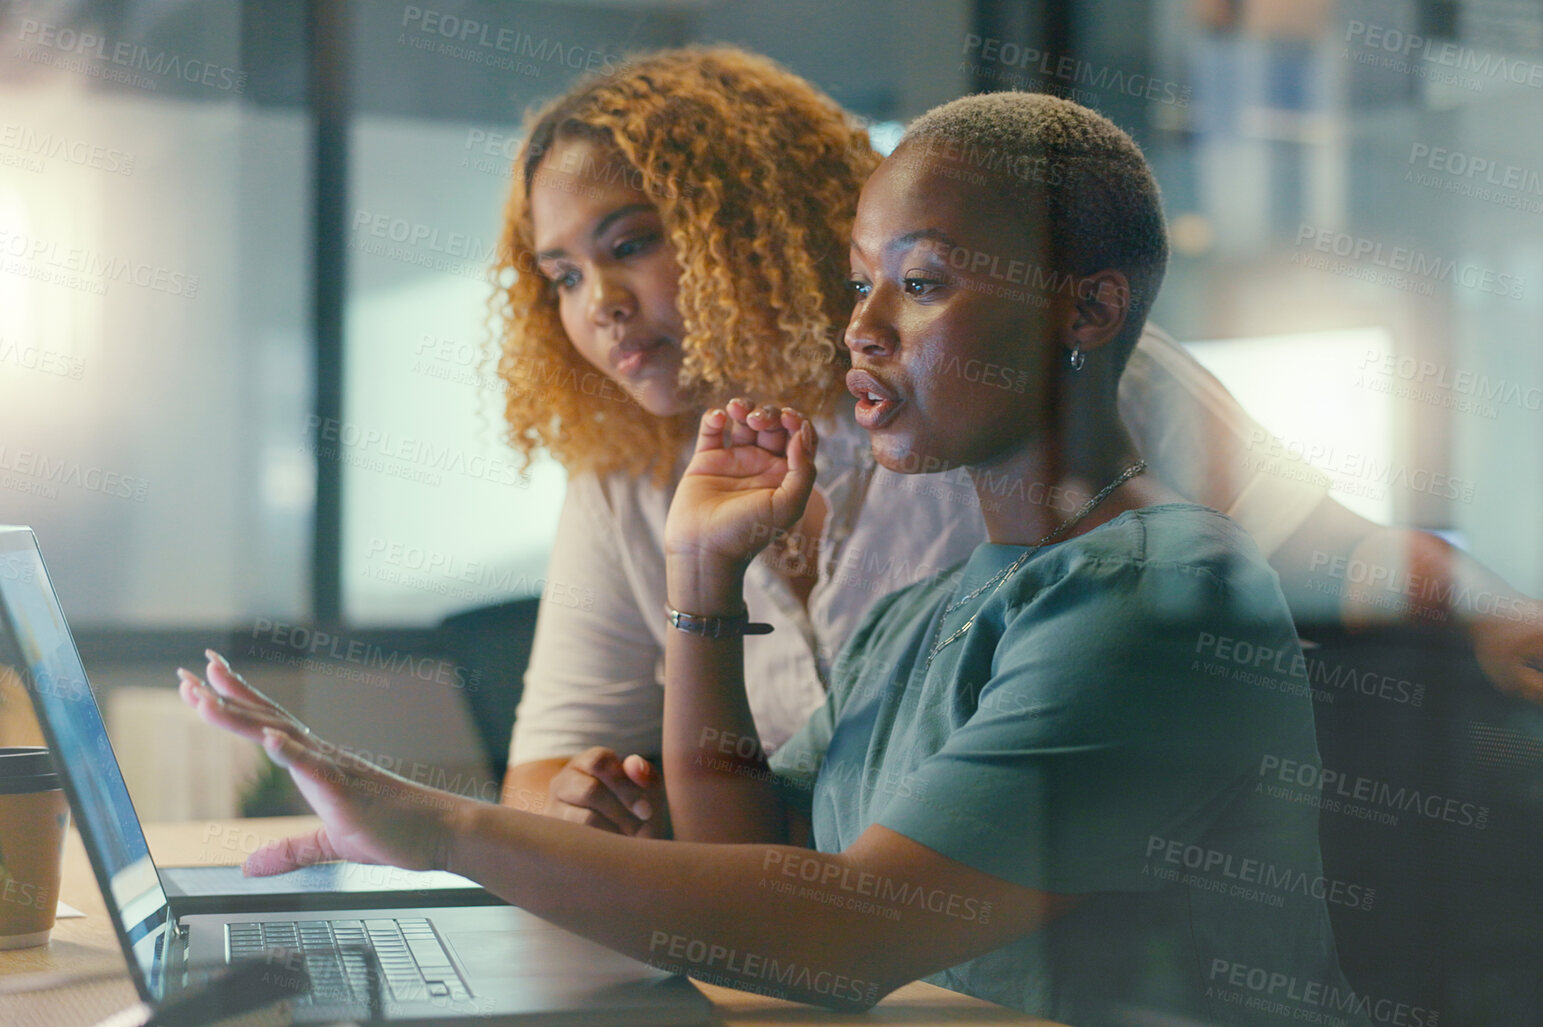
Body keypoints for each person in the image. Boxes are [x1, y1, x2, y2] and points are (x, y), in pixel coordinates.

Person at [180, 91, 1361, 1026]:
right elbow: (751, 857)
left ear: (1086, 313)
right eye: (862, 281)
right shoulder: (926, 610)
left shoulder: (1156, 595)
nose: (863, 325)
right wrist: (703, 581)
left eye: (923, 284)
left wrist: (442, 833)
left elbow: (844, 934)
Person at [489, 46, 1543, 835]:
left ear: (742, 221)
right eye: (558, 275)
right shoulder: (631, 480)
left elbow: (1331, 548)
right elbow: (556, 773)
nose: (595, 302)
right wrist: (596, 805)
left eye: (630, 242)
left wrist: (1490, 611)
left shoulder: (1034, 380)